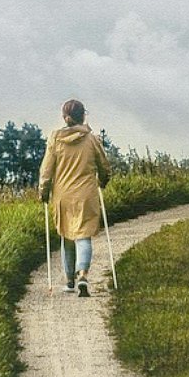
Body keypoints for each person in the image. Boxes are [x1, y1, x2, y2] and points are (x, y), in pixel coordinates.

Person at [38, 99, 112, 297]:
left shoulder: (55, 138)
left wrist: (43, 190)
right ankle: (83, 276)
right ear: (83, 115)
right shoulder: (92, 139)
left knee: (67, 235)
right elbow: (104, 166)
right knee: (83, 235)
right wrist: (103, 181)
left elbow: (47, 169)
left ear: (64, 117)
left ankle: (69, 280)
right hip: (86, 193)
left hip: (63, 195)